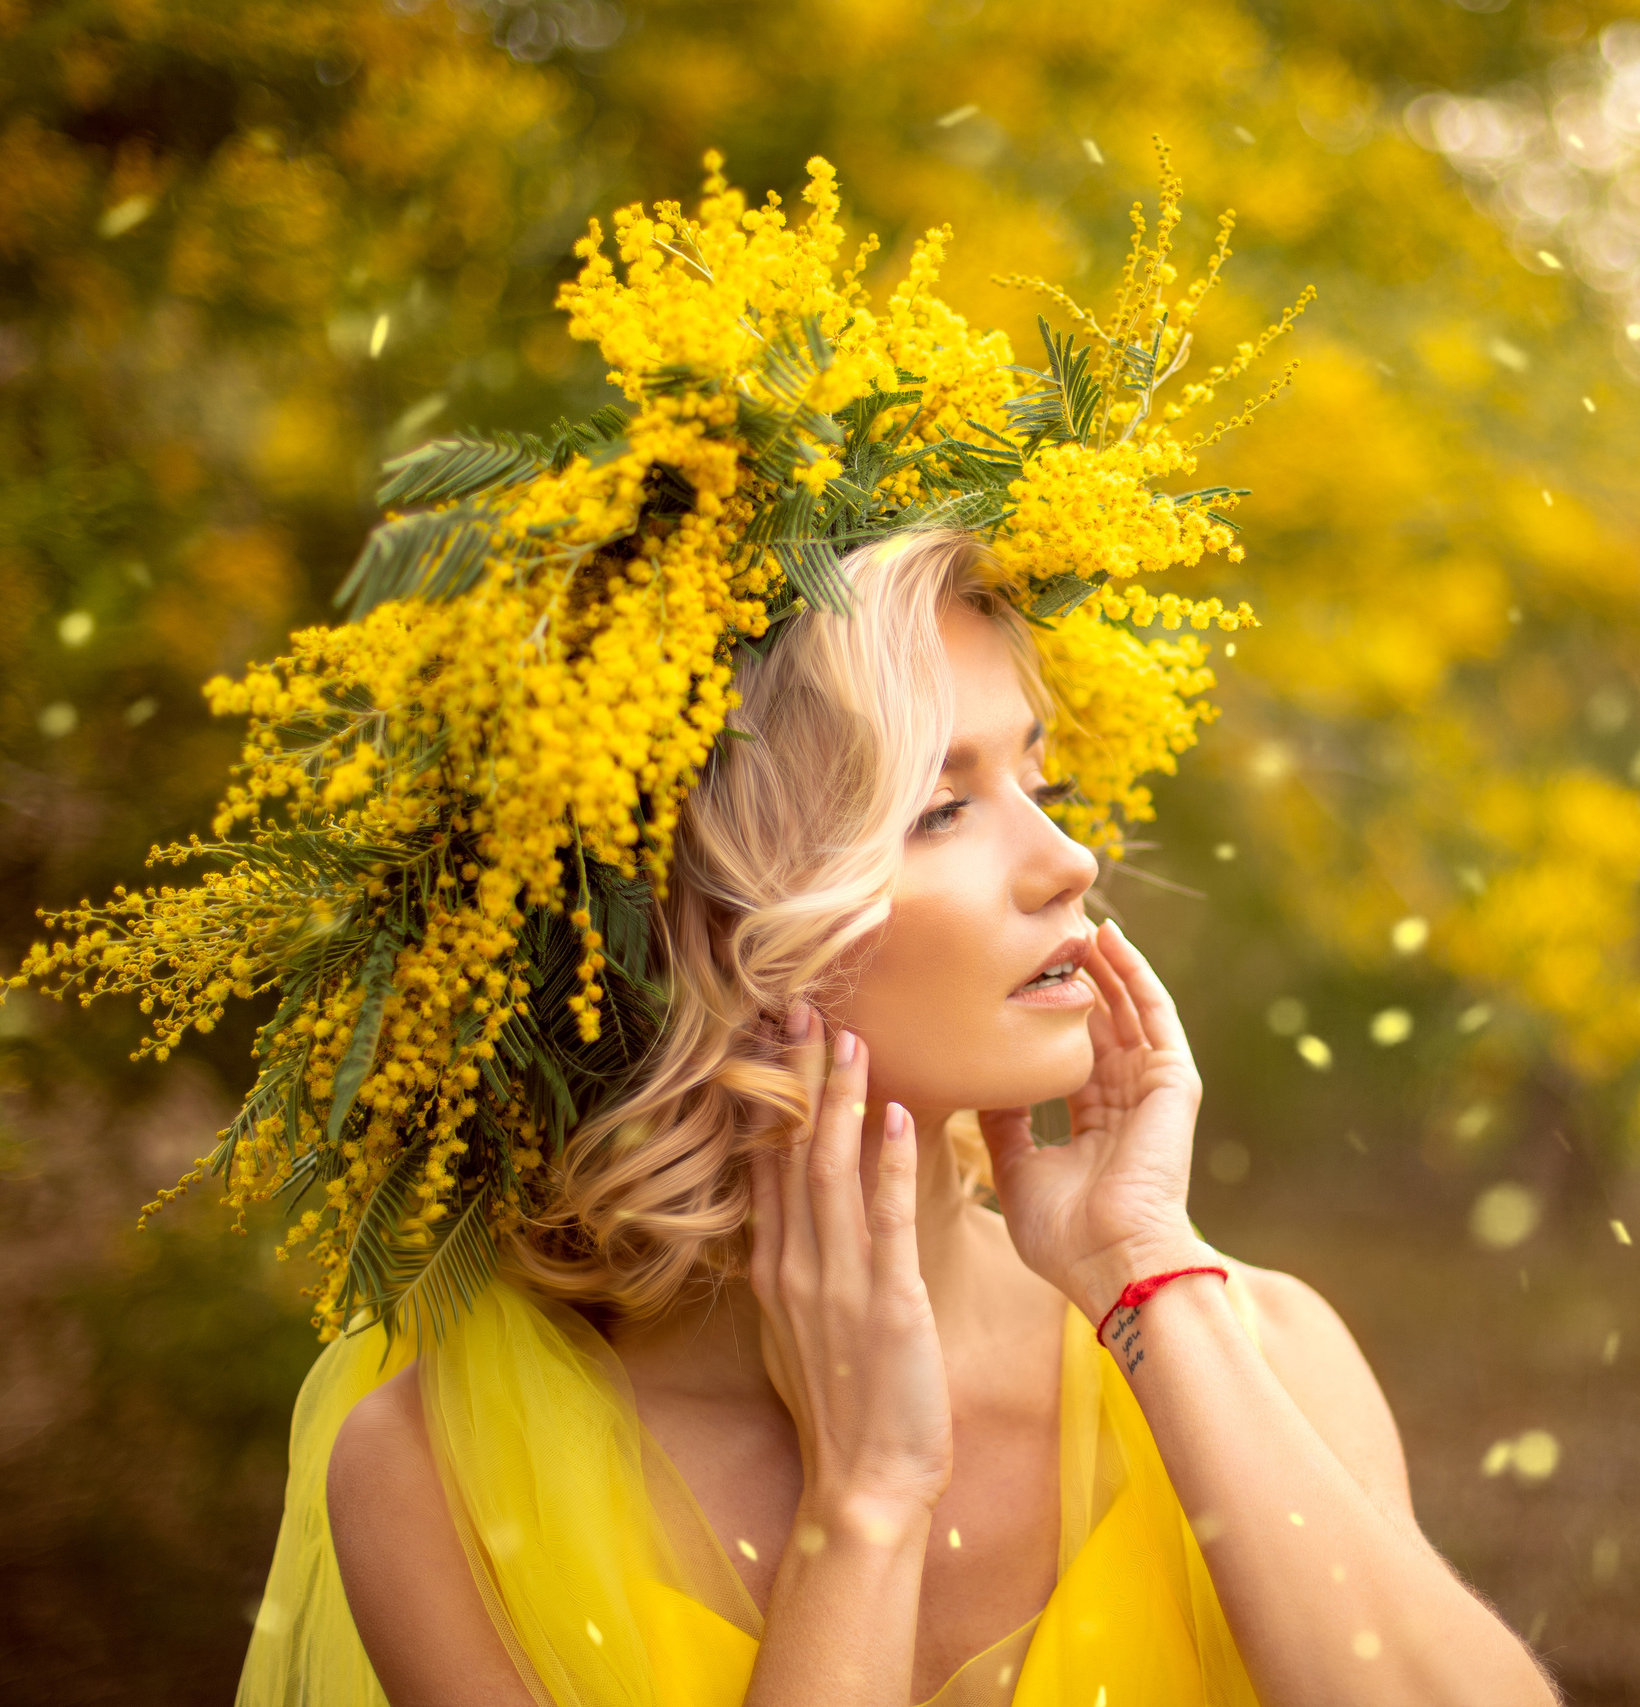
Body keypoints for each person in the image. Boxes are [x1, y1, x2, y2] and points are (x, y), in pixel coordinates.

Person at [317, 530, 1559, 1706]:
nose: (1068, 856)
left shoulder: (1252, 1347)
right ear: (700, 931)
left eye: (1040, 776)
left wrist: (1140, 1271)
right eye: (937, 809)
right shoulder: (440, 1480)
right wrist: (862, 1507)